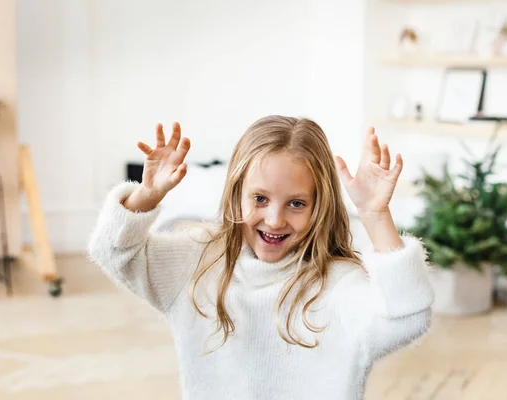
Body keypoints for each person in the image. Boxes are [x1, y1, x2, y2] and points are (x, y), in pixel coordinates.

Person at [88, 115, 434, 400]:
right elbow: (113, 251)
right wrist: (146, 196)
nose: (274, 219)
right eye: (260, 199)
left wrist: (375, 215)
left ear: (319, 206)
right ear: (236, 192)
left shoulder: (337, 284)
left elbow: (407, 318)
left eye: (296, 203)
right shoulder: (197, 260)